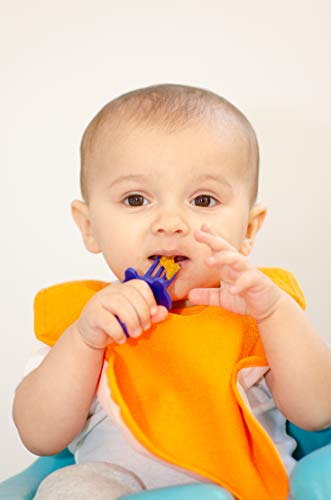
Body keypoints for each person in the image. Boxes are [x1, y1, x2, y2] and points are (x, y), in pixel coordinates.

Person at [12, 84, 331, 499]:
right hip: (117, 484)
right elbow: (40, 437)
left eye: (202, 198)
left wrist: (273, 315)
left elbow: (318, 412)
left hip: (242, 489)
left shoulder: (260, 309)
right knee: (70, 488)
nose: (170, 221)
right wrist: (85, 340)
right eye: (135, 198)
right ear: (89, 226)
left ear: (248, 229)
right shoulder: (88, 318)